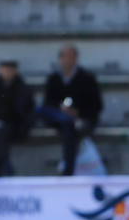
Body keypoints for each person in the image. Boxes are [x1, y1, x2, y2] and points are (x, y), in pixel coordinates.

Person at [38, 45, 103, 176]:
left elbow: (97, 105)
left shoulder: (87, 78)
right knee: (40, 110)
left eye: (70, 57)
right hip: (58, 117)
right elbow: (48, 103)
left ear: (76, 59)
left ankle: (68, 171)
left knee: (70, 129)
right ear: (60, 59)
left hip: (80, 119)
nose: (67, 60)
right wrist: (61, 108)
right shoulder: (54, 79)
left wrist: (77, 112)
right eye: (64, 56)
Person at [0, 61, 35, 176]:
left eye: (10, 70)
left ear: (15, 71)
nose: (7, 73)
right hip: (0, 126)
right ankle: (5, 169)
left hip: (17, 125)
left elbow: (23, 112)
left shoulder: (22, 88)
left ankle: (4, 170)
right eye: (4, 70)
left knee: (1, 134)